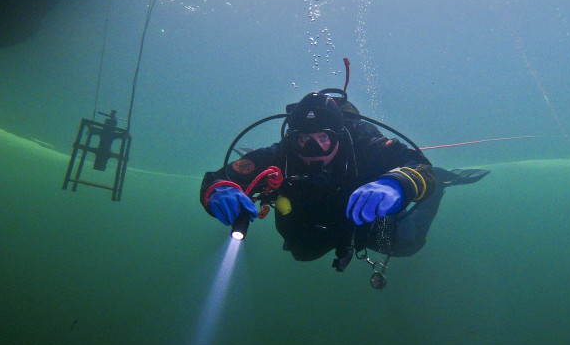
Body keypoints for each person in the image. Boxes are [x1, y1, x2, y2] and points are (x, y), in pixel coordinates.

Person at [200, 90, 488, 274]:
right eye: (304, 140)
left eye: (323, 139)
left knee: (407, 243)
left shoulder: (364, 145)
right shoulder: (283, 154)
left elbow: (421, 167)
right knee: (302, 255)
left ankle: (443, 189)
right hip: (311, 221)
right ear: (293, 137)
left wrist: (397, 184)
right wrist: (220, 190)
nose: (312, 151)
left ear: (339, 136)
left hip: (363, 220)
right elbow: (219, 178)